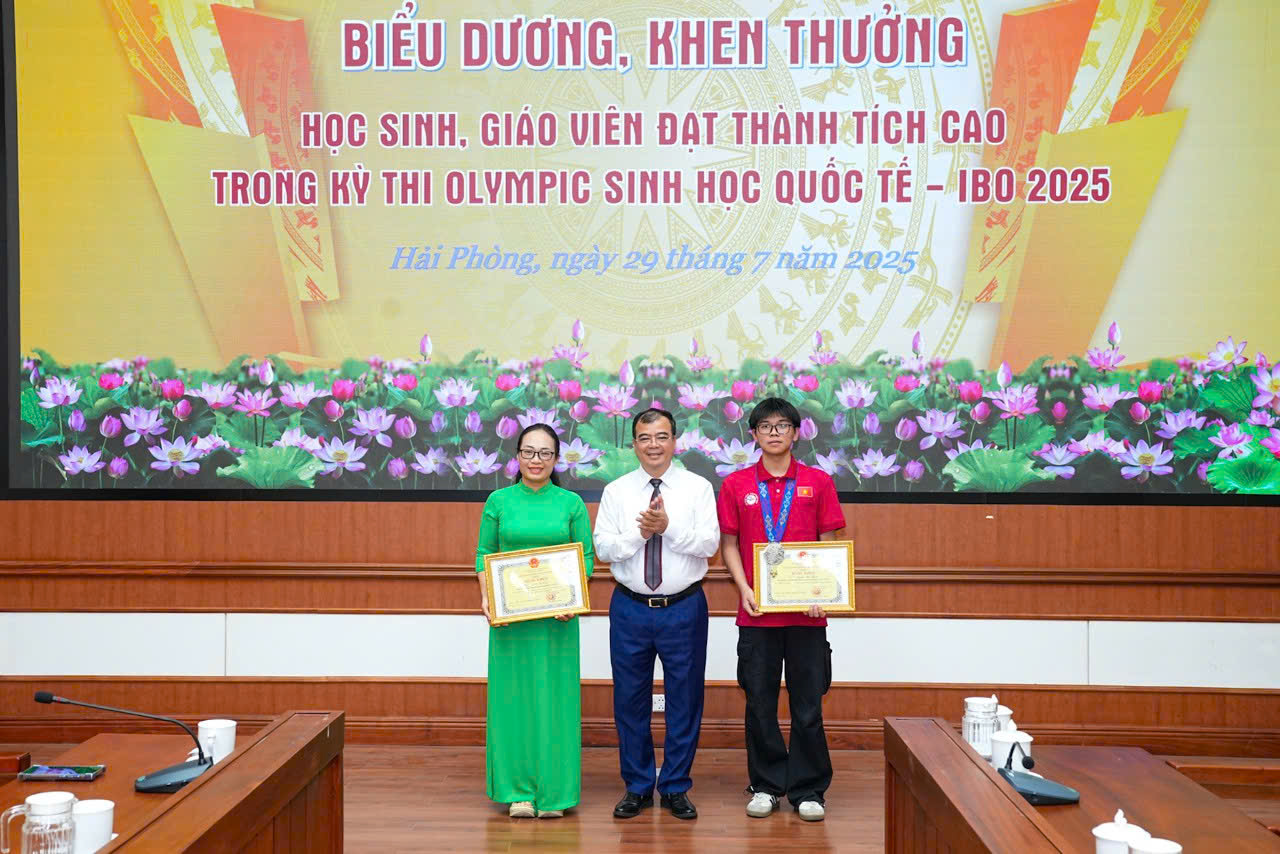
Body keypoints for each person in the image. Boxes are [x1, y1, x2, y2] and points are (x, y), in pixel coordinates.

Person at [716, 397, 846, 822]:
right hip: (756, 614)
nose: (774, 432)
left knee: (808, 706)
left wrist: (824, 592)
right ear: (753, 434)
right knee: (760, 704)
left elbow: (828, 542)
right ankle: (767, 785)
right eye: (766, 426)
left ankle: (809, 789)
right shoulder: (736, 485)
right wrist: (744, 588)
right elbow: (729, 544)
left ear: (796, 432)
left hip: (807, 615)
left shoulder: (818, 482)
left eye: (783, 425)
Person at [594, 408, 720, 821]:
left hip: (684, 607)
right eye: (645, 438)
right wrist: (641, 532)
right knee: (630, 700)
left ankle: (676, 786)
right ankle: (637, 786)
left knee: (685, 698)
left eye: (661, 436)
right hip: (629, 608)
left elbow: (709, 545)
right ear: (633, 444)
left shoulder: (698, 488)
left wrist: (668, 527)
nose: (654, 445)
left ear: (674, 441)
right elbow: (604, 549)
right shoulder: (616, 491)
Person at [475, 423, 595, 818]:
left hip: (557, 622)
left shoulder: (571, 503)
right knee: (513, 704)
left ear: (556, 459)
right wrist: (488, 597)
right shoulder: (498, 501)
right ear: (517, 456)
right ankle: (518, 793)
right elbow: (484, 554)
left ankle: (555, 794)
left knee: (554, 703)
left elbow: (586, 557)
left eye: (545, 453)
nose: (536, 460)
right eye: (529, 451)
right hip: (510, 624)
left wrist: (573, 599)